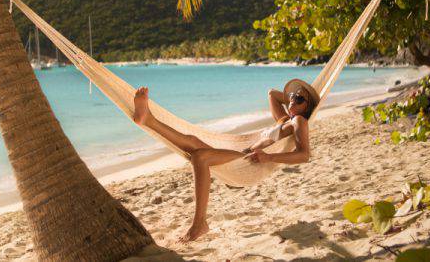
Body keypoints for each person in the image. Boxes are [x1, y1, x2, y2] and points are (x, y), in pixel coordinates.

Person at [130, 78, 319, 242]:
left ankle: (200, 224)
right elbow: (272, 94)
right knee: (194, 142)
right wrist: (294, 97)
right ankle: (148, 120)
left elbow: (304, 155)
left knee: (200, 156)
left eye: (299, 98)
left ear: (306, 108)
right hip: (242, 155)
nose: (293, 99)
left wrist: (268, 156)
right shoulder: (284, 119)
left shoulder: (299, 121)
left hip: (250, 162)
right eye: (293, 96)